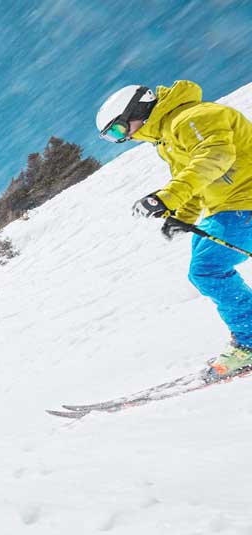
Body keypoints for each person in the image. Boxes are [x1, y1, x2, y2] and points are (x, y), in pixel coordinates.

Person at [97, 81, 252, 378]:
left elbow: (215, 157)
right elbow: (192, 179)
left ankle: (250, 341)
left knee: (207, 270)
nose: (122, 139)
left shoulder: (191, 118)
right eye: (112, 138)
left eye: (118, 130)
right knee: (204, 266)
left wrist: (165, 198)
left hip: (245, 202)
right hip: (229, 206)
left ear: (137, 110)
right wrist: (182, 216)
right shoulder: (167, 137)